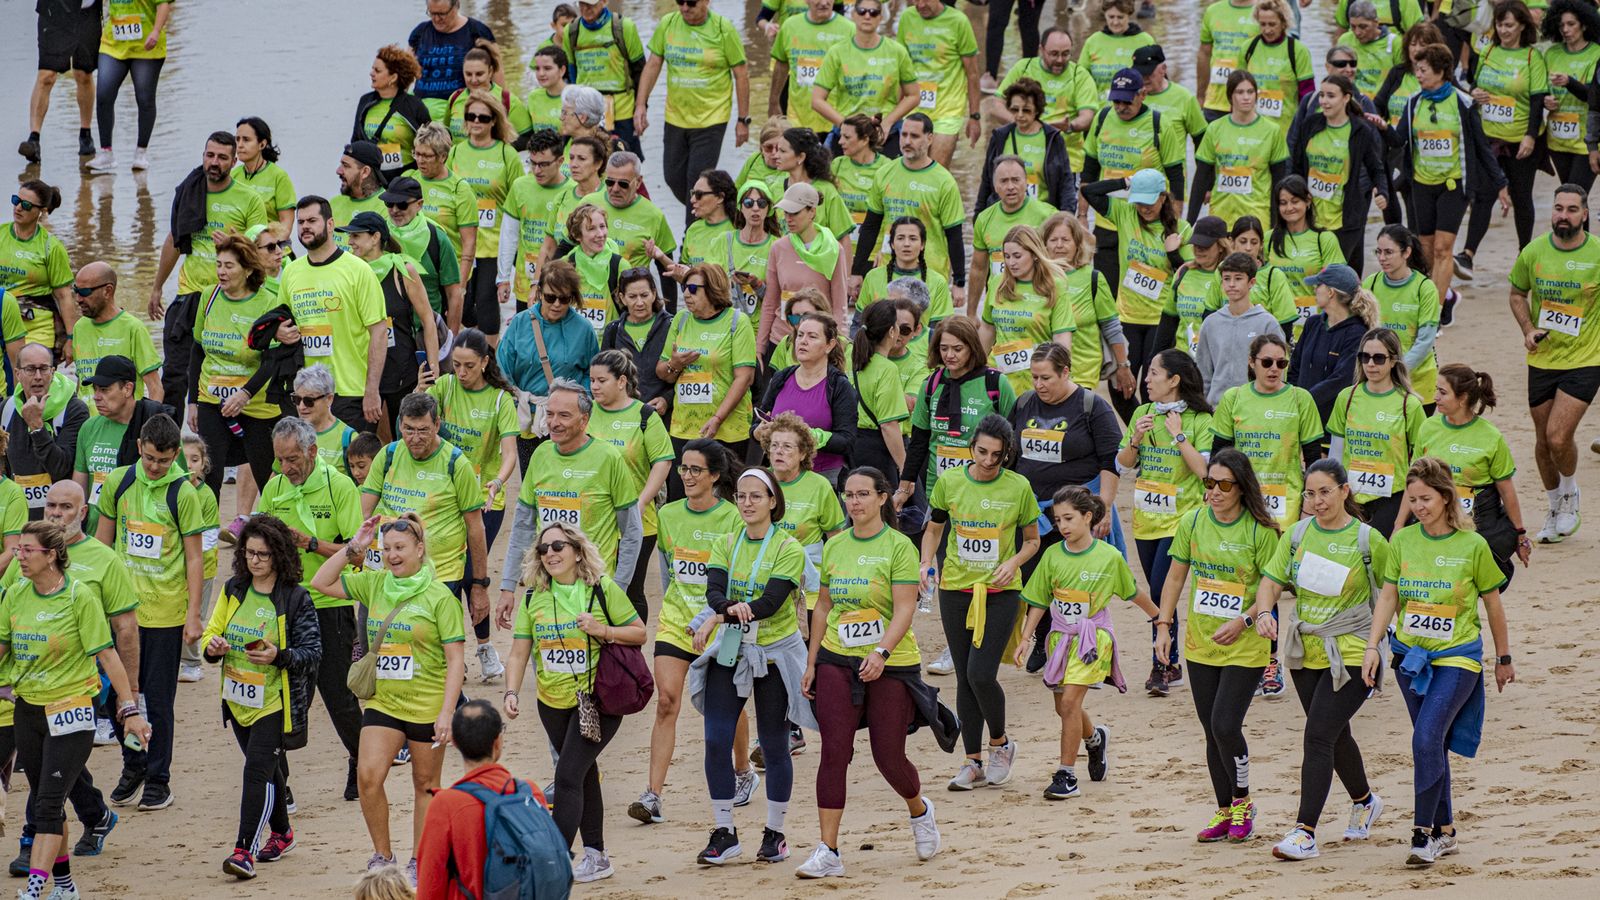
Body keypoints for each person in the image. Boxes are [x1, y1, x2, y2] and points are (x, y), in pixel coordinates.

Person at [1364, 456, 1513, 866]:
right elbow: (1389, 596)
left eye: (1426, 499)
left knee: (1425, 738)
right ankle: (1446, 832)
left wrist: (1503, 657)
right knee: (1433, 744)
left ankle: (1422, 833)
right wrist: (1372, 646)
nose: (1419, 507)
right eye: (1412, 500)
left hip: (1458, 659)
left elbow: (1493, 606)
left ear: (1447, 498)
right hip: (1409, 658)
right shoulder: (1402, 543)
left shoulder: (1473, 546)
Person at [797, 466, 941, 878]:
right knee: (833, 751)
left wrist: (880, 652)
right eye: (848, 494)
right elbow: (823, 606)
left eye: (862, 494)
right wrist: (811, 662)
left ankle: (919, 810)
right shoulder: (836, 545)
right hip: (837, 658)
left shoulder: (898, 546)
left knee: (888, 756)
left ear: (883, 498)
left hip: (891, 663)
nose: (854, 502)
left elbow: (904, 608)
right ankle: (829, 850)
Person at [312, 512, 466, 883]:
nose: (393, 555)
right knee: (368, 776)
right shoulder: (375, 584)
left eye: (400, 548)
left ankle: (419, 860)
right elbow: (320, 581)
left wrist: (447, 712)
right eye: (387, 549)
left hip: (428, 704)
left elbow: (456, 659)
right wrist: (355, 547)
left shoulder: (439, 596)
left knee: (424, 784)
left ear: (419, 549)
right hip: (384, 702)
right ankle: (382, 856)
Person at [0, 522, 150, 900]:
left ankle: (34, 890)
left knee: (47, 803)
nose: (19, 556)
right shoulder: (15, 594)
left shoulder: (79, 597)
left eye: (27, 550)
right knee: (45, 798)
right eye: (17, 550)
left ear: (51, 555)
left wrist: (129, 707)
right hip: (29, 710)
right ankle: (65, 887)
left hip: (72, 710)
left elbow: (107, 654)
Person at [1254, 458, 1388, 861]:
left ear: (1345, 490)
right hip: (1305, 651)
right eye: (1310, 493)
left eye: (1325, 491)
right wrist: (1263, 612)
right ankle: (1365, 801)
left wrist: (1376, 646)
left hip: (1352, 652)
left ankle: (1304, 832)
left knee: (1316, 735)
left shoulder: (1368, 540)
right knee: (1333, 733)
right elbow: (1271, 581)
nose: (1317, 501)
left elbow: (1392, 594)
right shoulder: (1296, 534)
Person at [686, 467, 816, 867]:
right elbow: (714, 591)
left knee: (774, 745)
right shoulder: (727, 542)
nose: (746, 503)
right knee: (715, 738)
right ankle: (725, 832)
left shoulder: (789, 549)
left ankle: (775, 834)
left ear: (773, 501)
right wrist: (726, 611)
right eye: (741, 496)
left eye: (756, 496)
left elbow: (771, 603)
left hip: (776, 653)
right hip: (734, 648)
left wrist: (720, 615)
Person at [504, 520, 644, 884]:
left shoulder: (600, 589)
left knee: (566, 776)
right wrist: (511, 691)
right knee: (582, 776)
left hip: (598, 700)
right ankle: (596, 855)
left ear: (577, 552)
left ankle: (554, 860)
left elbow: (640, 632)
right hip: (551, 702)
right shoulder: (534, 596)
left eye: (558, 547)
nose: (550, 553)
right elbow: (520, 652)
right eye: (543, 549)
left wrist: (603, 630)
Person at [1156, 449, 1280, 840]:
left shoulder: (1261, 531)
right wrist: (1163, 627)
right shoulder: (1193, 521)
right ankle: (1223, 809)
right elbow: (1175, 579)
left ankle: (1243, 802)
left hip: (1245, 644)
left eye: (1224, 484)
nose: (1214, 491)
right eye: (1210, 483)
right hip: (1201, 642)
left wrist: (1245, 619)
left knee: (1226, 724)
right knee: (1210, 730)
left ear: (1242, 488)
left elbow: (1270, 588)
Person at [632, 439, 756, 825]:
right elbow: (669, 569)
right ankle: (652, 796)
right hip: (676, 621)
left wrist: (711, 617)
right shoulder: (668, 515)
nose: (686, 476)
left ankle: (743, 772)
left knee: (724, 704)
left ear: (714, 476)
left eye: (695, 470)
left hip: (720, 622)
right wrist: (680, 610)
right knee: (667, 701)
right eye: (683, 469)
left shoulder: (733, 518)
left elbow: (736, 581)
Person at [93, 413, 204, 813]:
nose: (155, 467)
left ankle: (159, 779)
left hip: (164, 614)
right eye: (150, 458)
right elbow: (101, 548)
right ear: (139, 446)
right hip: (120, 613)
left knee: (157, 700)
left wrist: (194, 615)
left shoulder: (183, 493)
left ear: (175, 455)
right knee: (116, 696)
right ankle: (134, 764)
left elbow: (195, 558)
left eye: (164, 460)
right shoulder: (119, 481)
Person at [1017, 484, 1158, 798]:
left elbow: (1133, 593)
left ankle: (1066, 775)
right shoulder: (1052, 556)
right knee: (1064, 708)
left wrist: (1160, 620)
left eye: (1069, 519)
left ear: (1088, 517)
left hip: (1093, 640)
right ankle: (1095, 740)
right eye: (1057, 521)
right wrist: (1026, 639)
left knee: (1069, 703)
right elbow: (1038, 601)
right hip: (1060, 641)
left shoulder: (1109, 557)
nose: (1063, 526)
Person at [200, 515, 319, 880]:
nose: (254, 560)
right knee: (270, 770)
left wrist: (277, 656)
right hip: (237, 700)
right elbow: (210, 635)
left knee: (257, 773)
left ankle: (244, 851)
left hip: (274, 703)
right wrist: (214, 648)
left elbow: (312, 653)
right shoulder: (233, 589)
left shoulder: (296, 598)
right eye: (249, 553)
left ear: (278, 556)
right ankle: (282, 834)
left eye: (263, 555)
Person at [919, 415, 1036, 787]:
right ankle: (972, 762)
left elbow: (1032, 540)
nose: (988, 460)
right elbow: (935, 527)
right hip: (955, 590)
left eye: (997, 455)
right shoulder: (950, 482)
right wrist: (926, 563)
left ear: (1007, 455)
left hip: (1000, 593)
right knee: (965, 680)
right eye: (982, 451)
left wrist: (1013, 562)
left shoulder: (1018, 487)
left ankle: (1000, 743)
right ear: (972, 448)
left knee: (980, 674)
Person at [255, 416, 366, 802]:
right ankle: (278, 782)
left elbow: (359, 555)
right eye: (280, 461)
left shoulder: (339, 487)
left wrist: (311, 544)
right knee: (279, 700)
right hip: (283, 608)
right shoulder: (274, 489)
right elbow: (256, 540)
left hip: (328, 606)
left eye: (292, 460)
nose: (286, 469)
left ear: (312, 452)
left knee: (340, 697)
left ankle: (360, 762)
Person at [496, 379, 641, 625]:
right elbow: (523, 525)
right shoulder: (541, 454)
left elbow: (632, 531)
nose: (554, 422)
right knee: (544, 659)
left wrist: (618, 588)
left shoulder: (608, 458)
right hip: (545, 583)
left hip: (593, 586)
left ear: (584, 420)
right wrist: (508, 586)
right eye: (550, 414)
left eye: (564, 415)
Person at [361, 393, 491, 658]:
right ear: (399, 425)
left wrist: (479, 585)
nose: (415, 438)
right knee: (382, 648)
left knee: (433, 656)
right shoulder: (388, 456)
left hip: (440, 575)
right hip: (394, 571)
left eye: (423, 430)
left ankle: (455, 698)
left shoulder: (456, 464)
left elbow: (476, 528)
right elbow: (364, 512)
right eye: (408, 429)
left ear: (437, 425)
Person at [1115, 349, 1213, 695]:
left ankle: (1164, 664)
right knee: (1155, 592)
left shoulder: (1200, 419)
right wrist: (1137, 438)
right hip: (1145, 519)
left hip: (1180, 522)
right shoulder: (1142, 412)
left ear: (1174, 380)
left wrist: (1178, 435)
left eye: (1154, 373)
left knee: (1159, 590)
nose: (1147, 379)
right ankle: (1168, 661)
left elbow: (1204, 472)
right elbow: (1124, 463)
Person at [1391, 42, 1509, 324]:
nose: (1418, 75)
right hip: (1421, 183)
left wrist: (1501, 183)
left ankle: (1432, 315)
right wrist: (1379, 126)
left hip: (1453, 185)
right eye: (1416, 69)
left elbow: (1481, 146)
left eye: (1423, 70)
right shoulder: (1413, 103)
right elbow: (1397, 141)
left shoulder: (1462, 102)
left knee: (1444, 250)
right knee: (1426, 250)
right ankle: (1446, 296)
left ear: (1441, 71)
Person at [1509, 184, 1600, 543]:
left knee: (1558, 436)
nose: (1564, 215)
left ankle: (1570, 494)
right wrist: (1528, 329)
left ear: (1585, 214)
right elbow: (1517, 293)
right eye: (1558, 208)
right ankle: (1553, 505)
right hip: (1542, 358)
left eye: (1572, 209)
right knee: (1542, 442)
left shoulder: (1596, 254)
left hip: (1586, 358)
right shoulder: (1534, 253)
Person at [1080, 170, 1195, 423]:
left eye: (1149, 201)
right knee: (1119, 386)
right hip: (1127, 316)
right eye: (1139, 201)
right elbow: (1089, 191)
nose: (1144, 208)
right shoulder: (1125, 214)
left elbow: (1188, 277)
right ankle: (1141, 432)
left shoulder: (1181, 228)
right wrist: (1125, 182)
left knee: (1151, 386)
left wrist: (1174, 254)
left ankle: (1157, 439)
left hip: (1159, 320)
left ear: (1164, 198)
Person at [899, 317, 1018, 553]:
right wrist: (904, 488)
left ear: (972, 347)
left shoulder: (995, 383)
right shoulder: (930, 385)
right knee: (945, 560)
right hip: (941, 489)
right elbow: (919, 441)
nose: (950, 355)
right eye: (944, 348)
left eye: (957, 349)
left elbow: (1013, 440)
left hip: (985, 487)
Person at [416, 700, 549, 897]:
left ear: (456, 743)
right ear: (498, 742)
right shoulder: (530, 792)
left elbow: (430, 885)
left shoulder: (445, 805)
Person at [277, 195, 388, 432]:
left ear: (329, 224)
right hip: (306, 396)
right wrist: (280, 332)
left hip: (349, 390)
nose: (305, 226)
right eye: (300, 222)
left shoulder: (358, 270)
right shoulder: (291, 272)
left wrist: (372, 390)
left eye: (312, 220)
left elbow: (379, 332)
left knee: (352, 466)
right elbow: (283, 322)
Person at [186, 231, 284, 497]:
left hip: (255, 403)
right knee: (209, 475)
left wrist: (245, 394)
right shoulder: (209, 296)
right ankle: (206, 536)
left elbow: (272, 360)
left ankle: (272, 533)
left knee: (267, 476)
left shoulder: (267, 302)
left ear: (248, 270)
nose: (221, 272)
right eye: (218, 264)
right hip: (212, 399)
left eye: (229, 266)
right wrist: (192, 401)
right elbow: (197, 350)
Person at [1414, 364, 1531, 583]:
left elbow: (1507, 491)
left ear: (1462, 398)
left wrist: (1520, 534)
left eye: (1442, 392)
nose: (1435, 397)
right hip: (1433, 521)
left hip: (1477, 526)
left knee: (1476, 586)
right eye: (1435, 390)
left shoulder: (1491, 437)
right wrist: (1399, 525)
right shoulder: (1427, 427)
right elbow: (1414, 482)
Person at [1457, 0, 1549, 276]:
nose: (1504, 30)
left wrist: (1531, 136)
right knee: (1483, 196)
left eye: (1509, 25)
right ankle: (1467, 256)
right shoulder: (1487, 52)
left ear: (1522, 25)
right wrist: (1475, 93)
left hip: (1520, 140)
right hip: (1489, 141)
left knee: (1522, 198)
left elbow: (1537, 102)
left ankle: (1525, 256)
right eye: (1499, 24)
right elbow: (1474, 85)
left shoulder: (1533, 57)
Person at [633, 0, 749, 211]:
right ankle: (715, 210)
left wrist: (743, 120)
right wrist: (641, 105)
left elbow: (741, 74)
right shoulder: (668, 23)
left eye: (692, 3)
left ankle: (690, 238)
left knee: (698, 185)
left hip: (712, 119)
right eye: (680, 2)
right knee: (672, 177)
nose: (685, 7)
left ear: (706, 1)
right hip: (676, 117)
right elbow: (653, 64)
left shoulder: (723, 29)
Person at [586, 349, 672, 619]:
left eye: (602, 381)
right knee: (590, 585)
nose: (594, 387)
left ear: (622, 381)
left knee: (629, 590)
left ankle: (630, 650)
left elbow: (663, 461)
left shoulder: (645, 415)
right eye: (592, 381)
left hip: (636, 522)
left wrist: (641, 502)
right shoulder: (585, 412)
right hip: (592, 519)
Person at [850, 115, 967, 302]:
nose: (906, 141)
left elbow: (954, 235)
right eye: (903, 135)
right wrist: (856, 271)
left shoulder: (944, 182)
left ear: (930, 138)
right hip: (889, 269)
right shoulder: (885, 173)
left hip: (930, 273)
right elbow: (871, 226)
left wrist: (959, 282)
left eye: (914, 136)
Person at [339, 212, 440, 427]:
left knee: (407, 435)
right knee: (364, 441)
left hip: (402, 371)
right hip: (361, 371)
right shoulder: (349, 272)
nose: (350, 242)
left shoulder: (402, 269)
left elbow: (428, 320)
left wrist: (433, 369)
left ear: (375, 237)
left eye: (356, 236)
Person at [657, 263, 758, 471]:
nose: (686, 293)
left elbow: (745, 378)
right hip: (684, 427)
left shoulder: (738, 322)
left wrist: (717, 418)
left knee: (723, 496)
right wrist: (674, 365)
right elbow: (663, 372)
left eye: (693, 288)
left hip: (727, 429)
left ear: (713, 289)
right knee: (682, 496)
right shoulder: (681, 319)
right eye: (684, 287)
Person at [1328, 327, 1427, 535]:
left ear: (1393, 361)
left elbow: (1420, 464)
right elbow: (1335, 455)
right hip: (1350, 499)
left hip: (1392, 500)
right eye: (1365, 357)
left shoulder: (1409, 406)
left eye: (1379, 358)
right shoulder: (1346, 398)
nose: (1371, 364)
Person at [1288, 74, 1390, 271]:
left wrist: (1382, 192)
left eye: (1331, 96)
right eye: (1322, 95)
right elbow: (1297, 166)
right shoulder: (1310, 125)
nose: (1324, 101)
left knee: (1334, 275)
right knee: (1311, 270)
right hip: (1311, 215)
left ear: (1346, 98)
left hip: (1346, 218)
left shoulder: (1360, 131)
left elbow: (1376, 168)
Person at [447, 91, 523, 342]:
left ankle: (491, 360)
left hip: (493, 243)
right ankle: (472, 347)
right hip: (460, 243)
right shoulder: (456, 152)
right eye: (471, 116)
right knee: (463, 303)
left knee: (487, 302)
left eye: (483, 117)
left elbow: (519, 198)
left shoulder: (506, 154)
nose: (476, 122)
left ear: (493, 120)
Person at [993, 28, 1099, 195]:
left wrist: (1069, 126)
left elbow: (1087, 117)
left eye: (1065, 54)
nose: (1059, 60)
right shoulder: (1023, 68)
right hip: (1021, 162)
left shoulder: (1080, 75)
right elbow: (996, 106)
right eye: (1054, 54)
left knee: (1060, 218)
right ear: (1041, 49)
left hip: (1065, 162)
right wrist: (1024, 123)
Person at [1040, 212, 1131, 396]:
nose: (1059, 245)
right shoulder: (1037, 277)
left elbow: (1111, 326)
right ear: (1043, 244)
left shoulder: (1093, 278)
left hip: (1081, 370)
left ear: (1077, 244)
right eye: (1053, 239)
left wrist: (1123, 366)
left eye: (1066, 239)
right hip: (1041, 370)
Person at [810, 0, 919, 151]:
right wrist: (845, 125)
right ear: (854, 15)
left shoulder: (897, 51)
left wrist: (887, 122)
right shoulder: (837, 52)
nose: (867, 16)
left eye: (874, 12)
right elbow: (816, 100)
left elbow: (913, 95)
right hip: (846, 133)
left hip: (885, 134)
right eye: (862, 11)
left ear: (881, 17)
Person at [979, 225, 1075, 397]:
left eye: (1017, 256)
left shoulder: (1055, 286)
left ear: (1034, 255)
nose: (1011, 263)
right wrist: (974, 368)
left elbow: (1061, 338)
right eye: (1006, 256)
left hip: (1036, 378)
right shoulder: (996, 283)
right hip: (999, 376)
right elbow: (987, 329)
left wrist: (1061, 377)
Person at [759, 185, 850, 358]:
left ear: (812, 212)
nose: (788, 219)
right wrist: (760, 347)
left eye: (794, 213)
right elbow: (770, 302)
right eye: (786, 213)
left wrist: (841, 345)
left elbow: (840, 305)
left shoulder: (833, 250)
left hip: (817, 343)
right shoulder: (778, 248)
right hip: (780, 340)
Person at [1193, 72, 1289, 230]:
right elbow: (1200, 180)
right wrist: (1189, 223)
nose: (1246, 97)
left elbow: (1279, 184)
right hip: (1221, 216)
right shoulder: (1214, 128)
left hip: (1257, 218)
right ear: (1230, 97)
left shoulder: (1272, 131)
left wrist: (1276, 226)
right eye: (1240, 92)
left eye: (1250, 92)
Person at [4, 343, 89, 517]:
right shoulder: (6, 408)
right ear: (17, 373)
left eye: (43, 369)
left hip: (57, 519)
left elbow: (61, 468)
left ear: (53, 372)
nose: (38, 377)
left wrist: (37, 428)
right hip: (17, 515)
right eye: (30, 369)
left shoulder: (74, 409)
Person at [1288, 263, 1380, 423]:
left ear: (1330, 292)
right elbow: (1295, 365)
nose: (1314, 290)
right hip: (1301, 418)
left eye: (1318, 285)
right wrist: (1292, 398)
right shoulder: (1313, 323)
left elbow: (1341, 379)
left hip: (1333, 424)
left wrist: (1304, 402)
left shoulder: (1357, 333)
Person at [83, 0, 169, 171]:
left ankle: (141, 153)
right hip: (113, 44)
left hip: (146, 46)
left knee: (145, 99)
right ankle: (106, 154)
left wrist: (156, 31)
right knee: (103, 95)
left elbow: (164, 5)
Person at [1361, 226, 1440, 409]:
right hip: (1378, 378)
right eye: (1378, 252)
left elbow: (1425, 340)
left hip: (1418, 380)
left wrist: (1395, 369)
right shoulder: (1371, 283)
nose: (1382, 258)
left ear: (1406, 252)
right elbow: (1362, 330)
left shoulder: (1424, 288)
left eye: (1388, 252)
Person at [554, 0, 647, 157]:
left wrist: (641, 107)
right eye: (582, 4)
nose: (585, 8)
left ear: (604, 2)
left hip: (621, 109)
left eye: (591, 4)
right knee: (590, 158)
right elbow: (571, 71)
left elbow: (640, 70)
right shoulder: (572, 30)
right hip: (587, 111)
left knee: (625, 158)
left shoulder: (624, 26)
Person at [895, 0, 981, 167]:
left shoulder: (958, 21)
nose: (920, 5)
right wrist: (894, 114)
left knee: (936, 171)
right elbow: (901, 70)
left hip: (948, 111)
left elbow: (972, 74)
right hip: (914, 108)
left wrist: (974, 117)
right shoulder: (907, 18)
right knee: (910, 169)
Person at [970, 158, 1059, 311]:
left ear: (1026, 182)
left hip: (1037, 303)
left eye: (1016, 180)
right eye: (1004, 181)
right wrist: (971, 313)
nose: (1010, 187)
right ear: (995, 186)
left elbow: (1063, 260)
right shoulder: (984, 219)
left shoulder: (1048, 215)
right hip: (999, 301)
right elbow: (978, 268)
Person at [19, 0, 101, 164]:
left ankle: (85, 134)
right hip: (55, 11)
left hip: (88, 13)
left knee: (84, 73)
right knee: (46, 75)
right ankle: (34, 138)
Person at [1196, 253, 1283, 406]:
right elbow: (1204, 373)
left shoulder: (1268, 324)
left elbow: (1279, 374)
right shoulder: (1210, 323)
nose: (1231, 284)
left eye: (1238, 278)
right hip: (1217, 408)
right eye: (1227, 278)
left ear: (1251, 282)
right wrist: (1204, 406)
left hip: (1255, 409)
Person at [497, 129, 570, 309]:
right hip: (525, 285)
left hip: (561, 286)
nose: (536, 170)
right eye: (533, 163)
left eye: (544, 164)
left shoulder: (572, 191)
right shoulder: (520, 186)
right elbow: (509, 233)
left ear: (560, 161)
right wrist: (503, 278)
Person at [3, 180, 77, 356]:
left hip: (37, 325)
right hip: (3, 319)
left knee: (33, 377)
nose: (18, 208)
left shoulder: (51, 247)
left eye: (26, 205)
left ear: (42, 211)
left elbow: (64, 295)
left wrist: (71, 338)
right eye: (16, 200)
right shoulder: (1, 235)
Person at [69, 262, 160, 404]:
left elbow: (155, 388)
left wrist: (150, 424)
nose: (78, 299)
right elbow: (81, 382)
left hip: (123, 424)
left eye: (85, 292)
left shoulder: (133, 328)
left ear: (108, 291)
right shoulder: (79, 327)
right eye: (76, 291)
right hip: (87, 424)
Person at [384, 178, 464, 328]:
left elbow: (454, 294)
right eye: (389, 203)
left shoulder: (437, 238)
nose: (394, 210)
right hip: (392, 334)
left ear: (419, 204)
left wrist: (451, 341)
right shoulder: (379, 235)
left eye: (402, 204)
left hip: (427, 332)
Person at [1542, 0, 1600, 198]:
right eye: (1561, 25)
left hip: (1586, 142)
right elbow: (1540, 89)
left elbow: (1593, 96)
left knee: (1573, 197)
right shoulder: (1551, 53)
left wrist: (1569, 82)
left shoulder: (1596, 53)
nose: (1565, 30)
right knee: (1572, 201)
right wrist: (1545, 101)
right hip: (1558, 140)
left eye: (1571, 24)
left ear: (1584, 24)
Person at [770, 0, 853, 139]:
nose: (824, 3)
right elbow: (781, 65)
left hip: (836, 119)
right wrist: (773, 102)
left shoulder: (849, 29)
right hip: (797, 119)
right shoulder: (790, 26)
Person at [408, 123, 478, 281]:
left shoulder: (460, 189)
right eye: (417, 154)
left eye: (427, 156)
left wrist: (460, 286)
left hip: (449, 273)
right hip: (419, 273)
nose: (420, 160)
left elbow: (469, 243)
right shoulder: (411, 179)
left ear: (443, 157)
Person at [850, 304, 911, 484]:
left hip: (854, 445)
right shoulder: (887, 369)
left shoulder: (853, 360)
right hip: (879, 450)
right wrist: (904, 468)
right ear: (892, 331)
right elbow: (888, 425)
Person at [1237, 0, 1315, 139]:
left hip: (1286, 132)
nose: (1267, 30)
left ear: (1284, 23)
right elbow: (1237, 90)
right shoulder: (1248, 48)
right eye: (1263, 24)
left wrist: (1305, 131)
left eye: (1272, 24)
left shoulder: (1298, 50)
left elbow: (1307, 95)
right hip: (1253, 131)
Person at [856, 217, 956, 326]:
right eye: (900, 238)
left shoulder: (938, 282)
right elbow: (858, 324)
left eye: (913, 239)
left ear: (922, 244)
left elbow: (940, 331)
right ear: (892, 244)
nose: (906, 244)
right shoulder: (872, 277)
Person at [353, 46, 431, 185]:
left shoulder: (414, 106)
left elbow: (430, 145)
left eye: (377, 70)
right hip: (373, 178)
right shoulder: (366, 101)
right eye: (372, 69)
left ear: (393, 77)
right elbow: (356, 140)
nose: (371, 73)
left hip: (405, 179)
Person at [600, 267, 673, 412]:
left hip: (664, 419)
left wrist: (667, 399)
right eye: (632, 297)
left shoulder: (672, 326)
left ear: (654, 294)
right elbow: (603, 375)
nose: (639, 303)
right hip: (623, 418)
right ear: (622, 298)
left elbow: (686, 374)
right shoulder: (613, 331)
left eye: (644, 295)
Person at [408, 0, 496, 120]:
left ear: (456, 6)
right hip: (421, 108)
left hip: (461, 108)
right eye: (432, 13)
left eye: (442, 14)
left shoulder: (477, 31)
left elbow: (497, 72)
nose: (437, 19)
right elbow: (405, 72)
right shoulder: (420, 32)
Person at [560, 203, 625, 338]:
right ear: (577, 235)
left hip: (609, 346)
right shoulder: (567, 264)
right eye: (591, 229)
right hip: (576, 342)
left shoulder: (619, 265)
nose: (600, 234)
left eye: (602, 226)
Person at [1134, 45, 1210, 157]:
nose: (1144, 78)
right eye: (1140, 73)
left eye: (1149, 73)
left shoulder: (1184, 97)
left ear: (1163, 69)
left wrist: (1201, 173)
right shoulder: (1130, 95)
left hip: (1172, 173)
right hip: (1133, 173)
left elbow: (1201, 140)